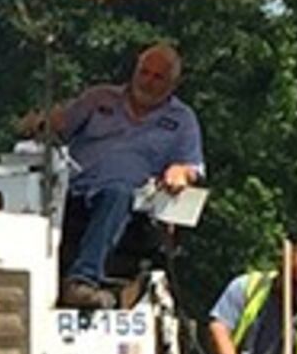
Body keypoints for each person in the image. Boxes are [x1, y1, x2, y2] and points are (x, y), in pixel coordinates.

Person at [28, 43, 203, 308]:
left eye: (158, 77)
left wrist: (181, 171)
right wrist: (42, 122)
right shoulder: (100, 98)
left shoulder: (182, 120)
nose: (148, 81)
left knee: (117, 192)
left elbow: (193, 166)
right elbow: (60, 125)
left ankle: (82, 281)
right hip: (73, 188)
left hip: (130, 201)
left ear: (173, 83)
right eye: (144, 72)